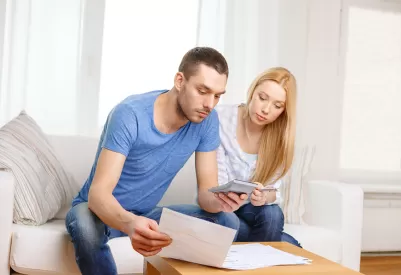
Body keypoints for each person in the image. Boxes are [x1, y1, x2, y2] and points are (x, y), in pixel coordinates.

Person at [65, 47, 249, 275]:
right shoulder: (130, 114)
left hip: (145, 216)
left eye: (218, 95)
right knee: (84, 225)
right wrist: (130, 224)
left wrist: (222, 201)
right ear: (180, 80)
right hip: (98, 212)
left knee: (228, 222)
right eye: (203, 91)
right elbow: (98, 194)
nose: (210, 104)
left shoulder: (207, 122)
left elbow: (205, 196)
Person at [213, 67, 301, 247]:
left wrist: (263, 197)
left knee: (273, 214)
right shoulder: (221, 118)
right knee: (289, 244)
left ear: (283, 111)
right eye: (262, 98)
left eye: (277, 106)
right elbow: (215, 184)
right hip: (221, 208)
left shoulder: (280, 138)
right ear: (252, 92)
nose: (266, 109)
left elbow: (274, 192)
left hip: (251, 210)